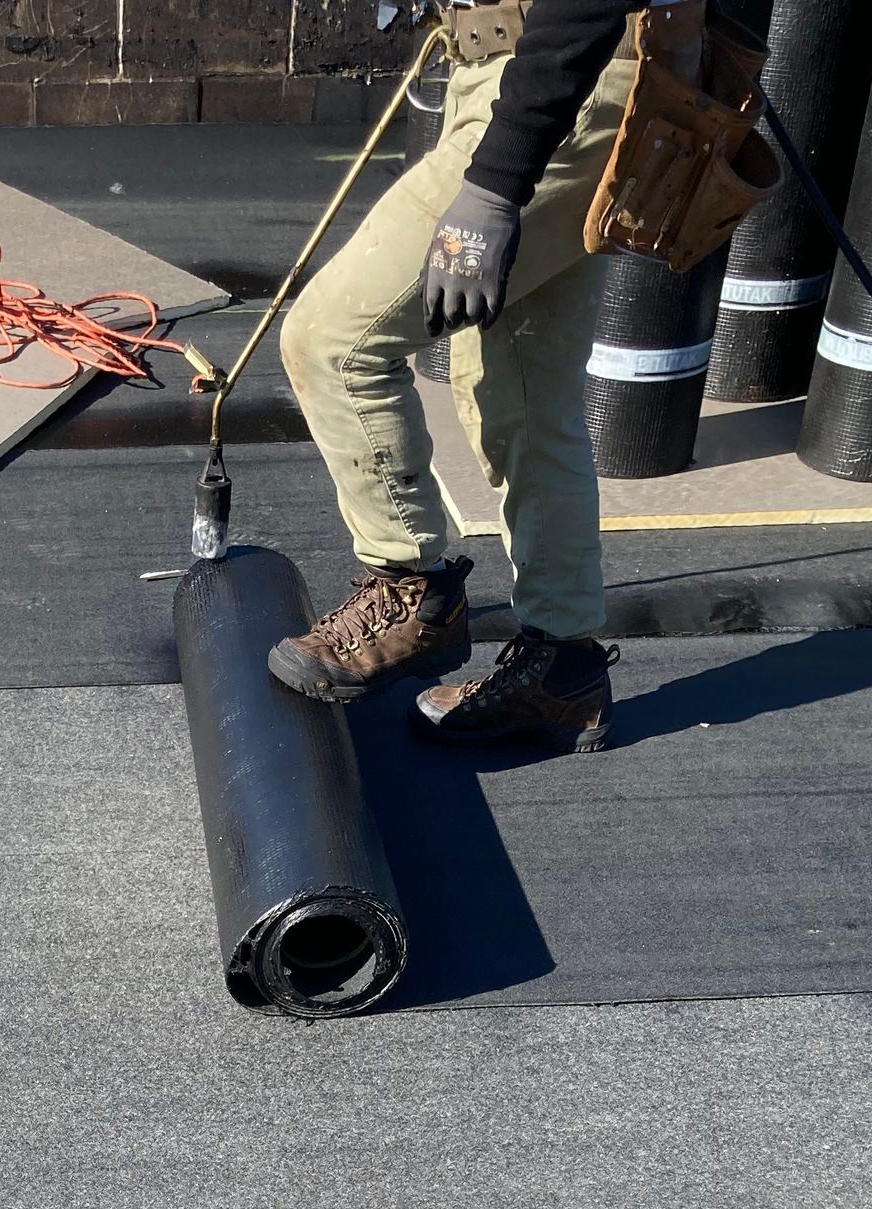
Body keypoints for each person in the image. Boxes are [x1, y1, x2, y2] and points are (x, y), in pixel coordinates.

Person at [270, 0, 641, 754]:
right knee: (521, 395)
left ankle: (414, 593)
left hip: (560, 79)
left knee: (332, 341)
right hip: (539, 79)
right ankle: (561, 668)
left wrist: (496, 184)